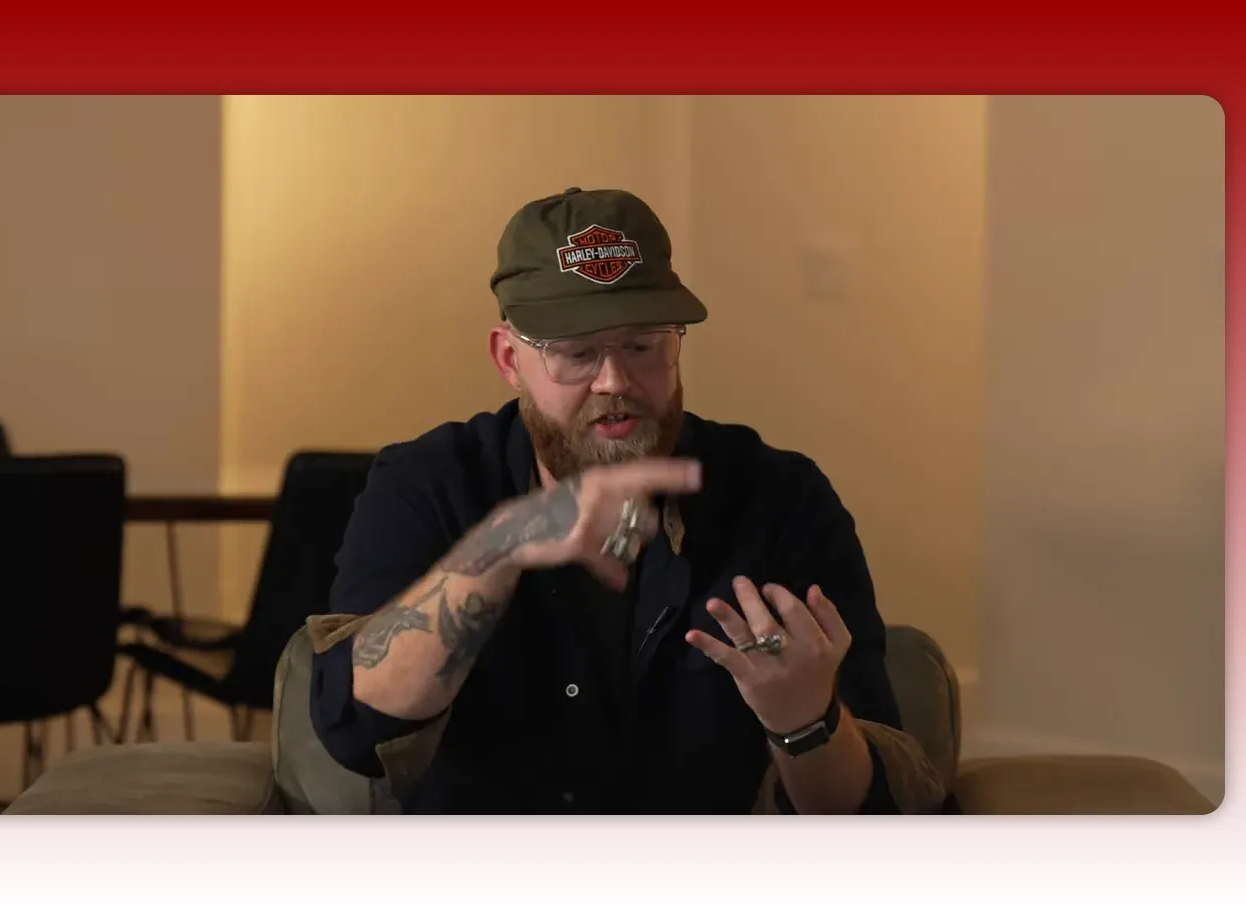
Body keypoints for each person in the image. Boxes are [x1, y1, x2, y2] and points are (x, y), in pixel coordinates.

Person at [307, 187, 945, 814]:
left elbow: (872, 818)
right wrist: (501, 545)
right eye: (577, 354)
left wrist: (804, 721)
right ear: (509, 358)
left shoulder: (780, 498)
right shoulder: (426, 483)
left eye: (643, 346)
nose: (615, 382)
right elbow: (355, 730)